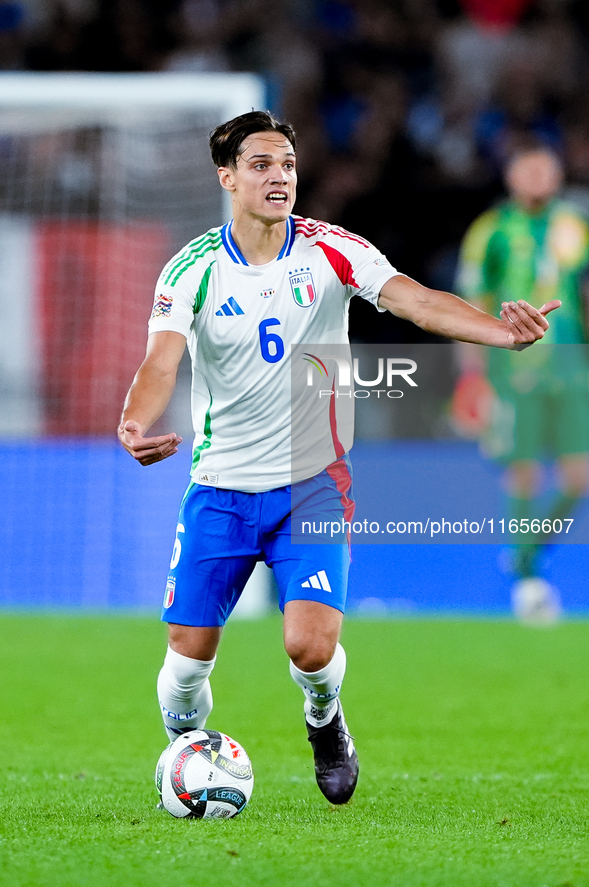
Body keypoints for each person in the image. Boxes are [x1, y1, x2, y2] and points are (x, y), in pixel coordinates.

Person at [118, 111, 558, 806]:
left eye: (287, 165)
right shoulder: (193, 268)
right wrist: (134, 420)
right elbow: (160, 361)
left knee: (310, 649)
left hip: (311, 486)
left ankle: (324, 720)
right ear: (226, 177)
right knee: (183, 665)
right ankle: (186, 753)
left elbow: (413, 300)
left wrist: (500, 336)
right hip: (219, 489)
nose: (278, 177)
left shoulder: (331, 250)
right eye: (261, 164)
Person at [456, 145, 589, 622]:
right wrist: (472, 378)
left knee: (579, 479)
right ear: (511, 176)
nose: (537, 177)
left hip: (573, 371)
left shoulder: (575, 225)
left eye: (545, 168)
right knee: (525, 474)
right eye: (527, 168)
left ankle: (524, 555)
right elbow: (471, 305)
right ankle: (527, 584)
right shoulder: (490, 231)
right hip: (514, 373)